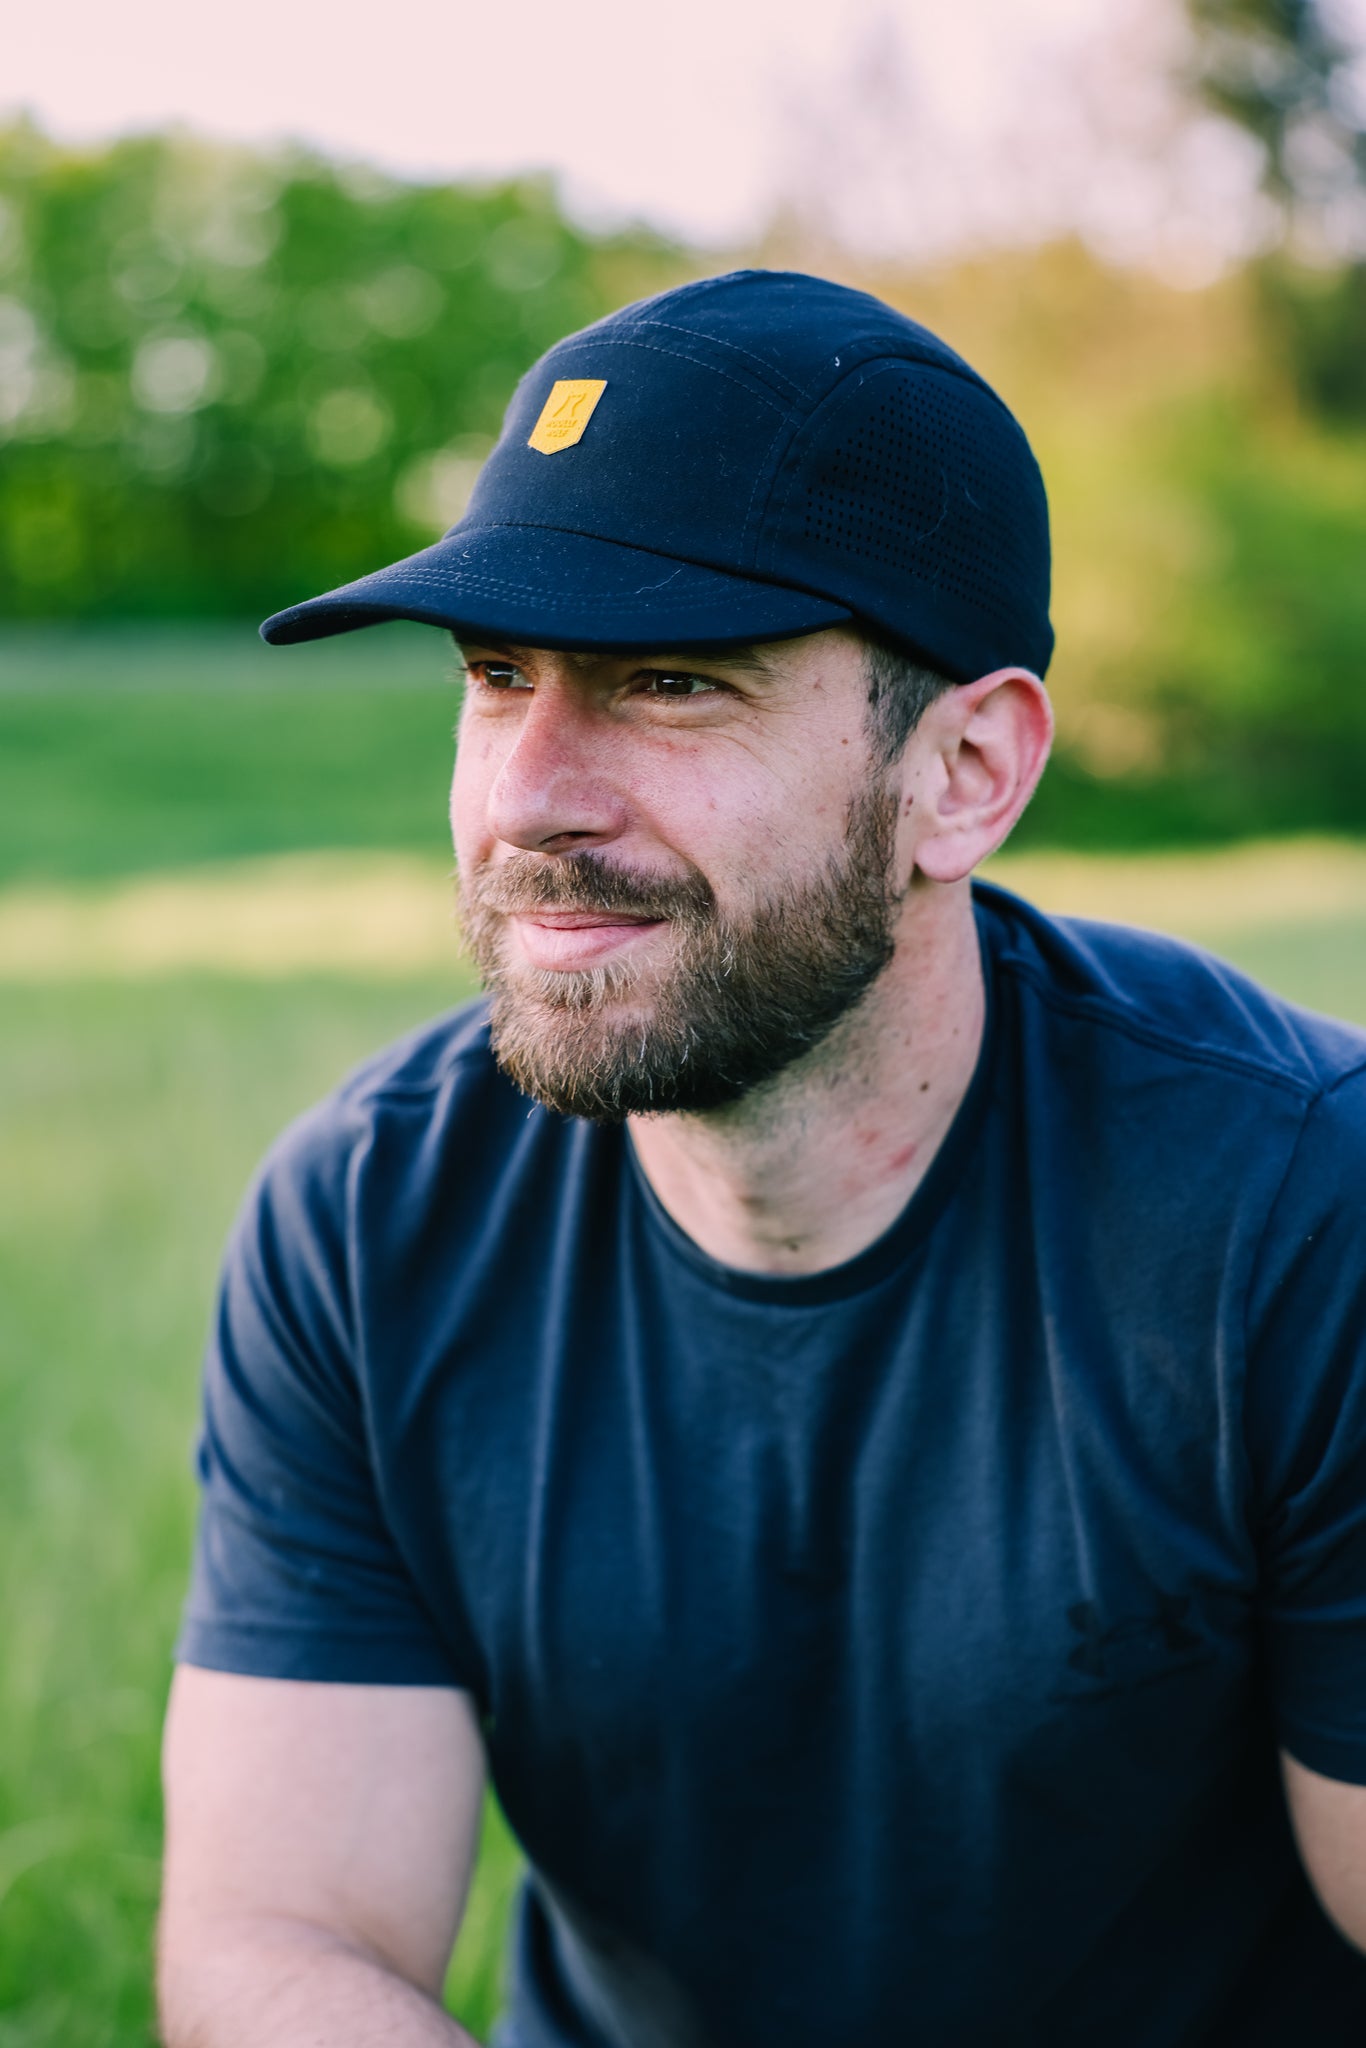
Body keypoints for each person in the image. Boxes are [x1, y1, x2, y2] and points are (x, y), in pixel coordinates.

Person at [157, 270, 1366, 2047]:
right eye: (495, 680)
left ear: (963, 772)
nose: (532, 797)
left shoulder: (1297, 1206)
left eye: (668, 685)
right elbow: (278, 1940)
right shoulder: (365, 1223)